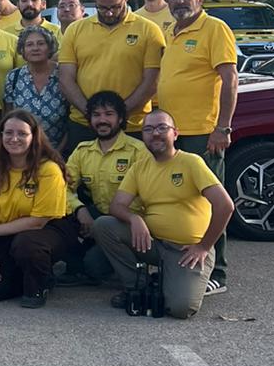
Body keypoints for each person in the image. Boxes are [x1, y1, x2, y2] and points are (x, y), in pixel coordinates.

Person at [93, 109, 235, 318]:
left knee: (180, 309)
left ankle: (170, 280)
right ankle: (137, 285)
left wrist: (204, 246)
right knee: (104, 225)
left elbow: (225, 206)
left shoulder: (191, 162)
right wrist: (135, 219)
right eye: (148, 129)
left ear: (175, 133)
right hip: (153, 242)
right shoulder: (139, 167)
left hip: (187, 251)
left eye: (162, 128)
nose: (155, 134)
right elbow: (117, 206)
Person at [156, 0, 239, 294]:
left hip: (203, 134)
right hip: (173, 134)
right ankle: (188, 265)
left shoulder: (214, 29)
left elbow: (229, 80)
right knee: (182, 202)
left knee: (210, 201)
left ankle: (217, 271)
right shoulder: (172, 32)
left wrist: (223, 128)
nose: (179, 0)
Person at [0, 110, 74, 308]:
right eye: (8, 133)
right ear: (0, 135)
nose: (14, 138)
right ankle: (29, 273)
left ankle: (38, 285)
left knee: (26, 244)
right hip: (8, 231)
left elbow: (39, 221)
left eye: (22, 133)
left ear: (34, 136)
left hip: (49, 229)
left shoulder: (48, 169)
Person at [58, 0, 166, 151]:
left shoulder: (149, 30)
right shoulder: (75, 30)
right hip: (83, 124)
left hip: (131, 126)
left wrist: (118, 115)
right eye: (102, 7)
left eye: (115, 7)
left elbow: (151, 82)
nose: (108, 13)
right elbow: (65, 78)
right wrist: (93, 114)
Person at [64, 91, 151, 284]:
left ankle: (137, 275)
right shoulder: (82, 152)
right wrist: (79, 209)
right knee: (60, 217)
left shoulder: (139, 152)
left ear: (121, 119)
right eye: (96, 115)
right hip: (97, 217)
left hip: (130, 224)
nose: (102, 120)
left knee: (94, 265)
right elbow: (61, 187)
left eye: (109, 114)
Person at [3, 25, 67, 150]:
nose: (35, 48)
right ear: (23, 50)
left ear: (50, 47)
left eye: (41, 43)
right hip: (22, 151)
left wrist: (57, 153)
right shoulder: (13, 77)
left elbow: (72, 122)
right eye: (29, 45)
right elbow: (9, 117)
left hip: (60, 151)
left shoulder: (63, 75)